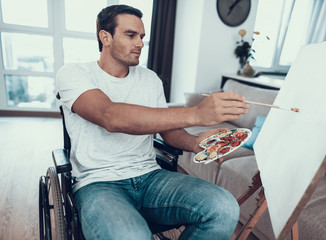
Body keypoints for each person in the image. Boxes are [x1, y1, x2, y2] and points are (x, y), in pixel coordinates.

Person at [56, 4, 249, 240]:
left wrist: (196, 141)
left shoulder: (150, 80)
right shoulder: (74, 73)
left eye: (142, 36)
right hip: (98, 182)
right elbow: (110, 116)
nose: (140, 43)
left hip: (150, 178)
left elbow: (169, 132)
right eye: (130, 35)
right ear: (105, 37)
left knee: (224, 208)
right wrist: (196, 114)